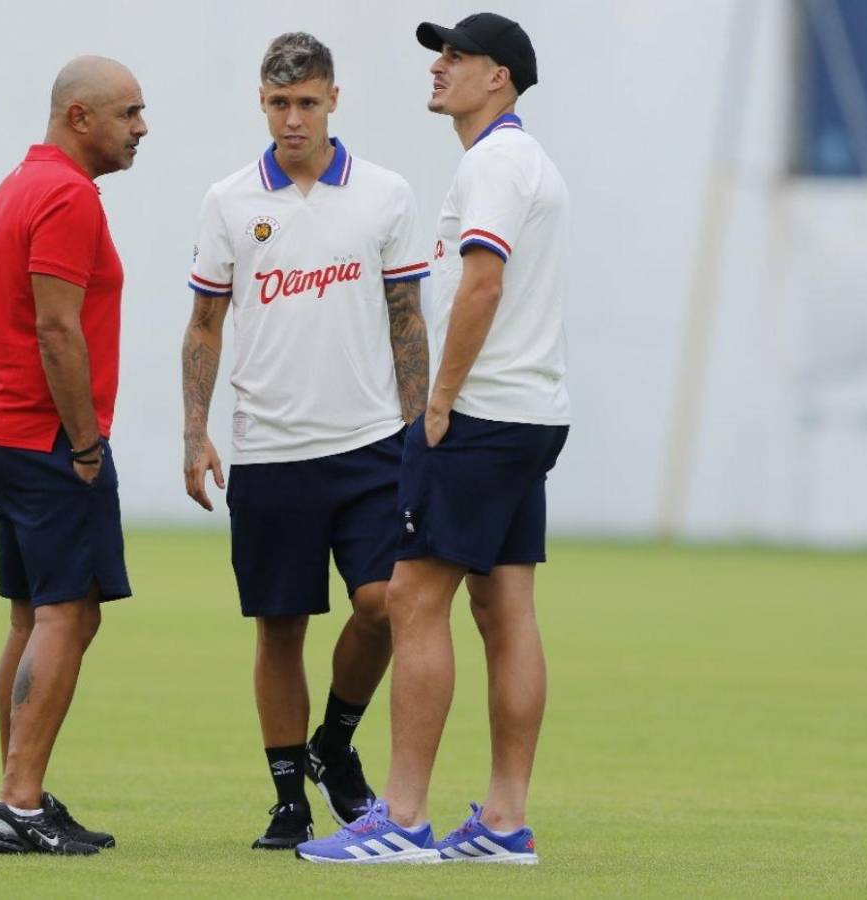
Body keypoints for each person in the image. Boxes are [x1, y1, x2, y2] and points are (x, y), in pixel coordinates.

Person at [296, 12, 571, 865]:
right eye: (438, 54)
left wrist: (439, 400)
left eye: (457, 55)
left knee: (414, 600)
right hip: (530, 412)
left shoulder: (493, 162)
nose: (439, 65)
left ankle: (403, 819)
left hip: (480, 414)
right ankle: (504, 822)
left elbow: (482, 286)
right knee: (506, 609)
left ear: (500, 76)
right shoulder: (527, 160)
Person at [181, 32, 430, 850]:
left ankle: (335, 740)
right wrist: (194, 431)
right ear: (262, 102)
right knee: (280, 626)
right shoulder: (229, 201)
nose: (294, 119)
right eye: (280, 104)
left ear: (333, 101)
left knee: (385, 604)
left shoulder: (385, 194)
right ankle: (290, 798)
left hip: (370, 446)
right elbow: (205, 324)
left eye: (308, 103)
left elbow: (407, 319)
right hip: (269, 451)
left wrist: (421, 431)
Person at [0, 55, 147, 856]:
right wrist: (84, 443)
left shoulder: (22, 182)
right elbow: (56, 329)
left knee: (36, 615)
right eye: (128, 113)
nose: (141, 128)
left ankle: (21, 791)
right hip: (46, 439)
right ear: (81, 117)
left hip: (0, 430)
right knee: (67, 613)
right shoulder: (68, 196)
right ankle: (17, 802)